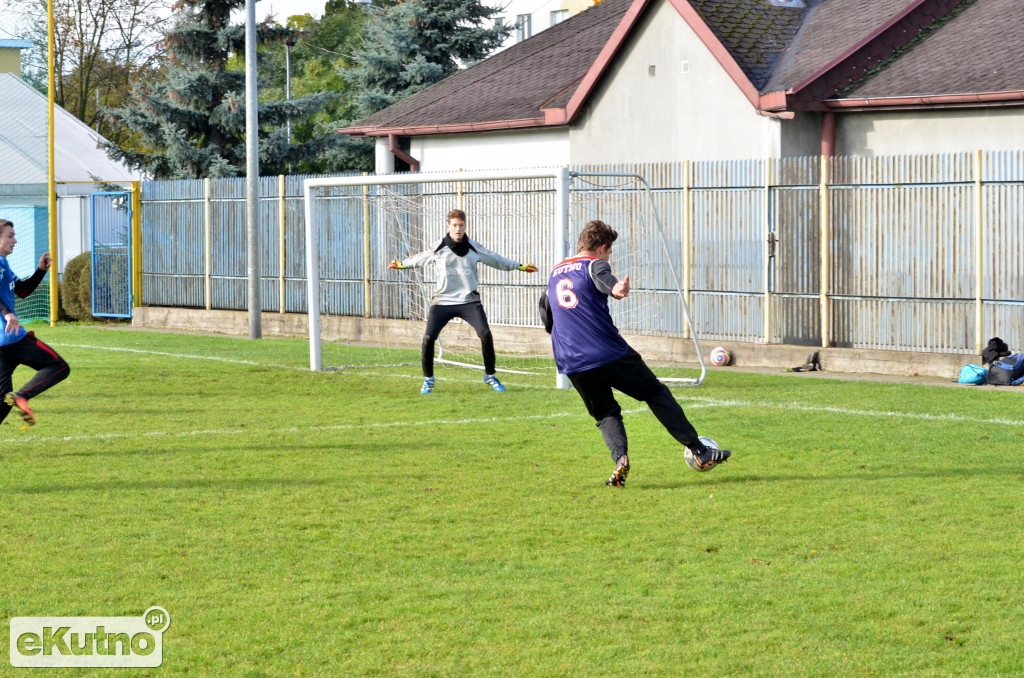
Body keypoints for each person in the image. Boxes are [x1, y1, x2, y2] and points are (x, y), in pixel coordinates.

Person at [539, 219, 730, 486]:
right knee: (655, 393)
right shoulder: (594, 264)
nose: (608, 256)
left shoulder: (555, 272)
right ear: (602, 248)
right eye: (610, 251)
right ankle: (700, 451)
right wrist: (616, 288)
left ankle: (621, 460)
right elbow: (604, 278)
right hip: (607, 352)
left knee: (605, 413)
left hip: (571, 360)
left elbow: (546, 312)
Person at [387, 208, 537, 394]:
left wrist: (519, 266)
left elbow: (495, 259)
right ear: (448, 226)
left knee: (485, 333)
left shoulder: (474, 247)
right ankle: (428, 380)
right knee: (428, 338)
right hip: (442, 300)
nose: (458, 229)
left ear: (465, 226)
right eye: (454, 225)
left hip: (469, 301)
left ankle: (490, 375)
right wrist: (402, 264)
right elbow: (421, 258)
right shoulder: (439, 247)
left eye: (461, 225)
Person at [0, 218, 71, 428]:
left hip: (3, 342)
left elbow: (22, 291)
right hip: (10, 336)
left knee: (3, 399)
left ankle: (17, 397)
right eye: (10, 236)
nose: (15, 240)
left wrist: (40, 270)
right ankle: (22, 395)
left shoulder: (4, 264)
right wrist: (7, 313)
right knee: (58, 366)